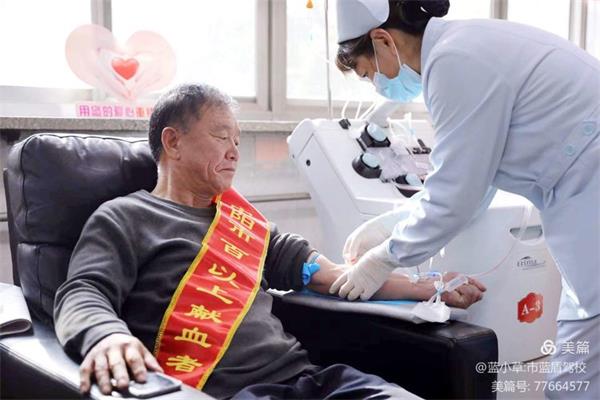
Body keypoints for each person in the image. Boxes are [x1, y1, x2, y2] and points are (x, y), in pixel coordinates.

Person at [53, 83, 485, 399]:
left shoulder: (246, 225)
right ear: (173, 141)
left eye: (237, 140)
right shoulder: (125, 217)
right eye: (221, 136)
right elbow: (83, 291)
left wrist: (427, 287)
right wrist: (105, 337)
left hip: (310, 381)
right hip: (223, 391)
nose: (234, 150)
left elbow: (335, 277)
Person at [330, 1, 599, 399]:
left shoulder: (454, 61)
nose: (377, 85)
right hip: (580, 199)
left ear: (383, 40)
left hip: (587, 193)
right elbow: (471, 184)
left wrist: (384, 258)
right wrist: (390, 225)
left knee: (574, 380)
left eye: (369, 74)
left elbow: (456, 195)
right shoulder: (465, 45)